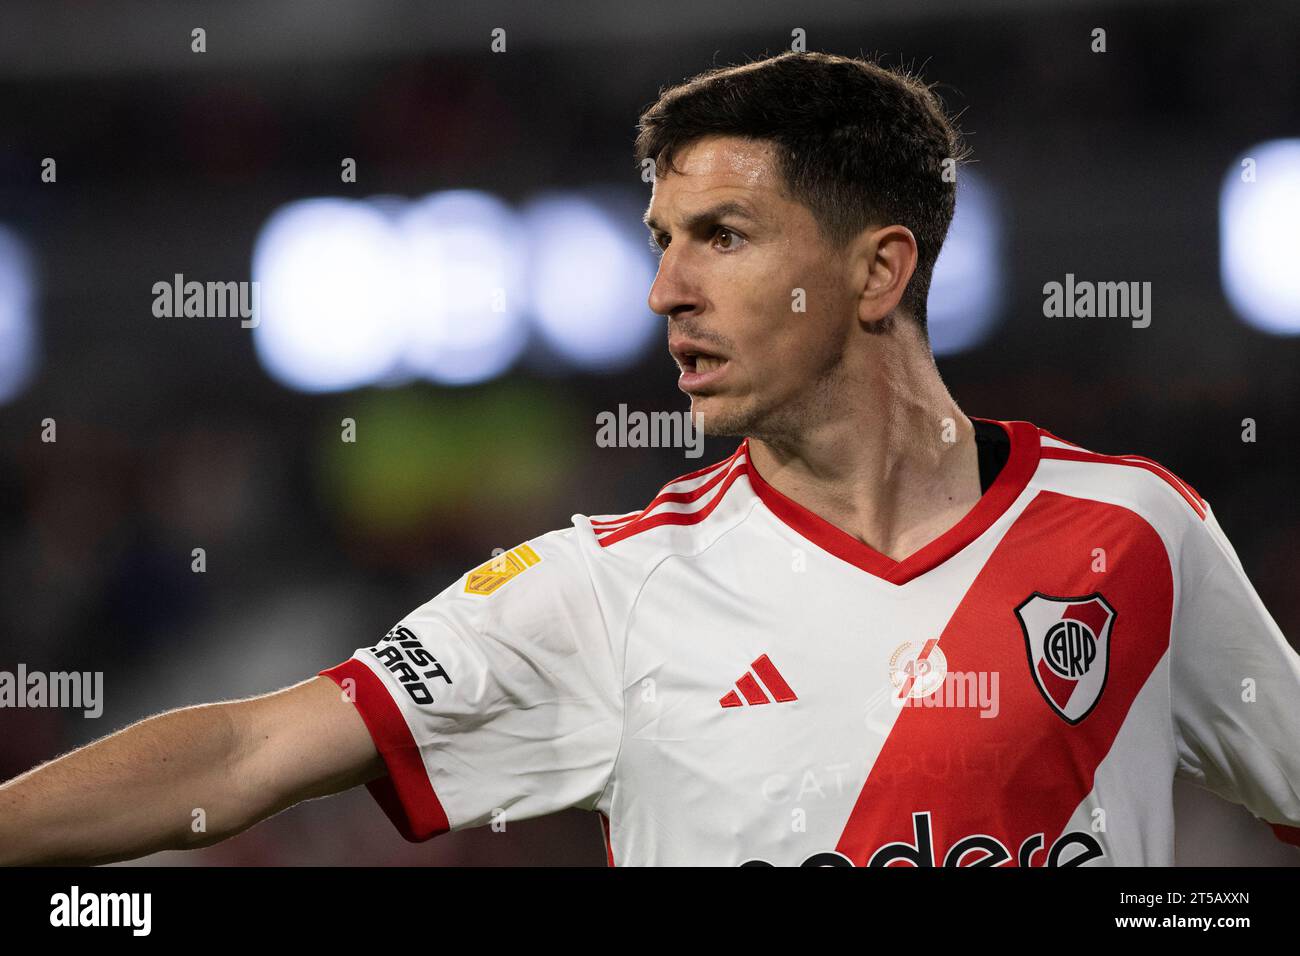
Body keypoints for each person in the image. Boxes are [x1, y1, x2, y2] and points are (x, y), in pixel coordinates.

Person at [3, 51, 1297, 867]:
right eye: (662, 240)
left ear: (878, 268)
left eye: (723, 237)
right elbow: (242, 758)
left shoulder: (1138, 535)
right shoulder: (606, 588)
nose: (664, 292)